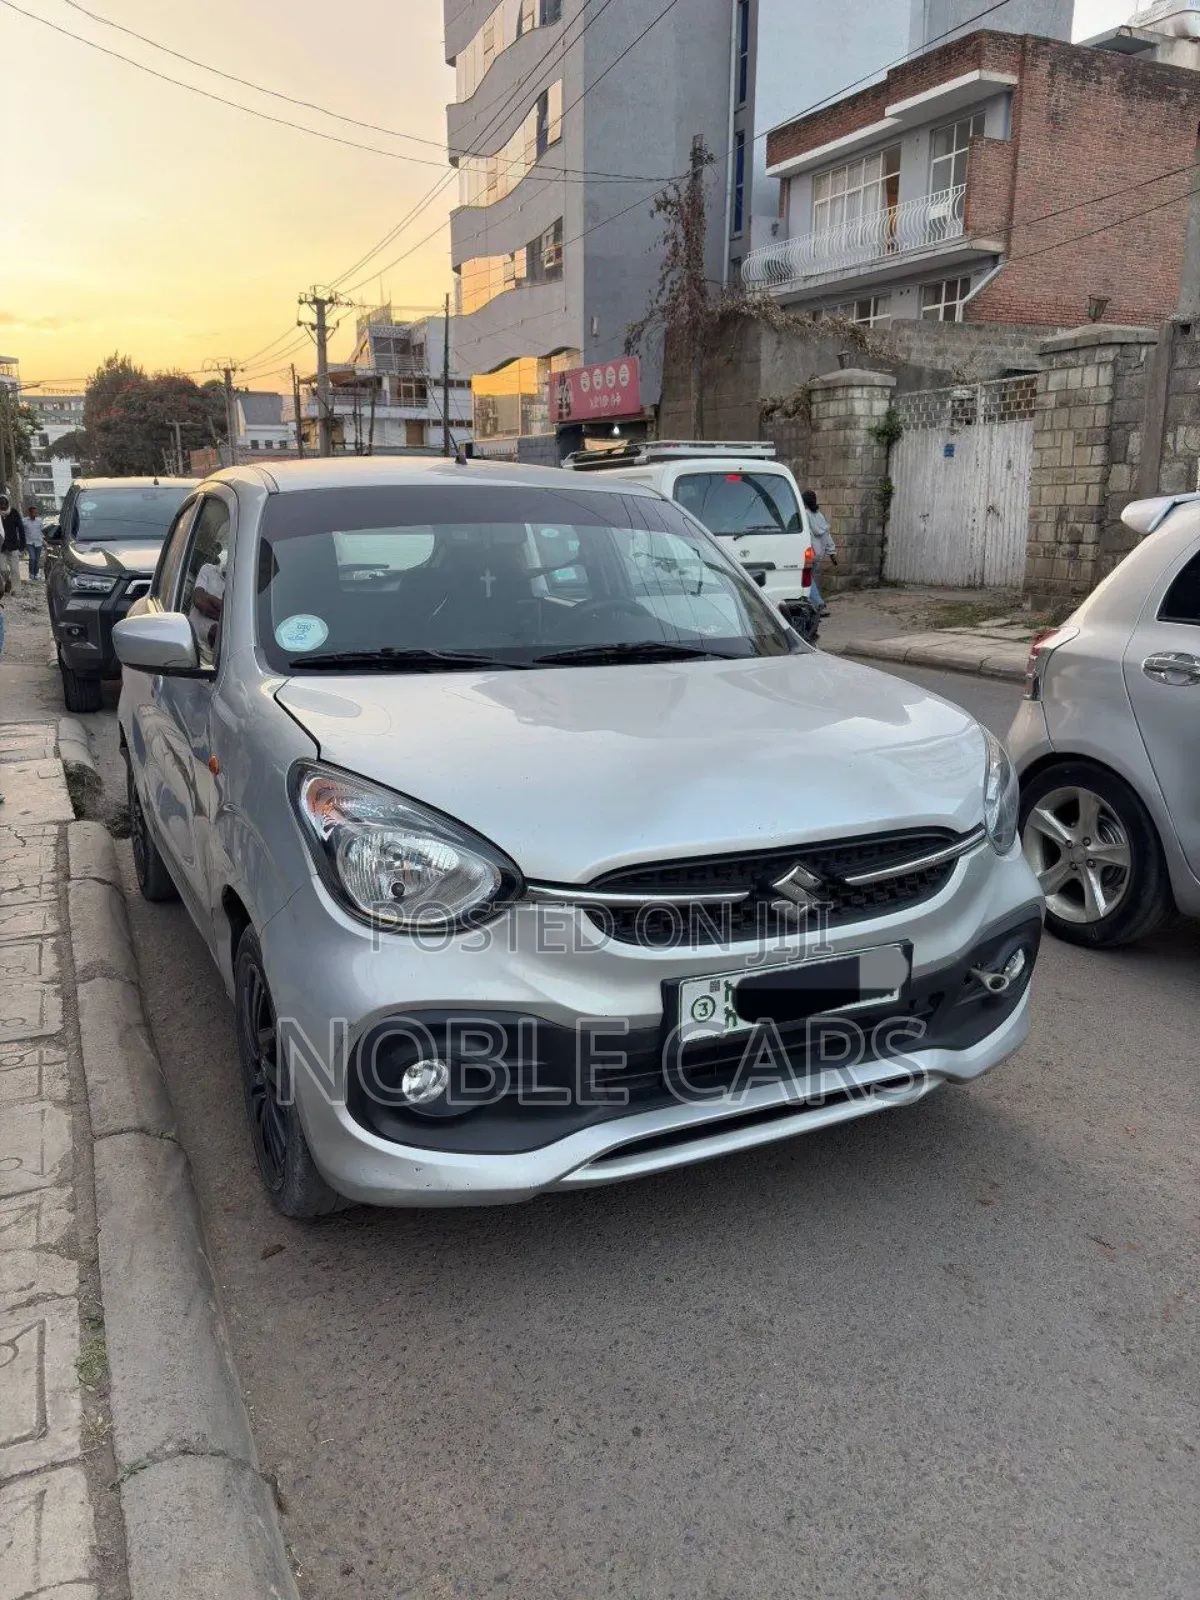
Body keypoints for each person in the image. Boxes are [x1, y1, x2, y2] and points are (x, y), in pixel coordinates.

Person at [802, 489, 837, 618]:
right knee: (812, 578)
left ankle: (819, 604)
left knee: (806, 577)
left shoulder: (804, 515)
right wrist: (832, 552)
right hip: (820, 553)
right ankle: (811, 604)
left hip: (810, 553)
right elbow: (827, 535)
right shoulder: (820, 515)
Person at [0, 495, 25, 590]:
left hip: (13, 546)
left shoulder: (14, 512)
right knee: (2, 569)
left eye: (4, 503)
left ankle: (16, 590)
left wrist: (22, 546)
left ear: (7, 503)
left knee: (15, 570)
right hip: (1, 547)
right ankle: (8, 581)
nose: (2, 506)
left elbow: (21, 529)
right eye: (0, 504)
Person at [22, 505, 44, 581]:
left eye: (36, 513)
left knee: (37, 559)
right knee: (32, 558)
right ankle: (31, 574)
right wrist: (22, 543)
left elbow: (42, 531)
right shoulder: (24, 521)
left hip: (39, 542)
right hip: (29, 542)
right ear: (30, 513)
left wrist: (44, 541)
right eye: (34, 513)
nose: (35, 514)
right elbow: (21, 532)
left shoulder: (39, 521)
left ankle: (36, 574)